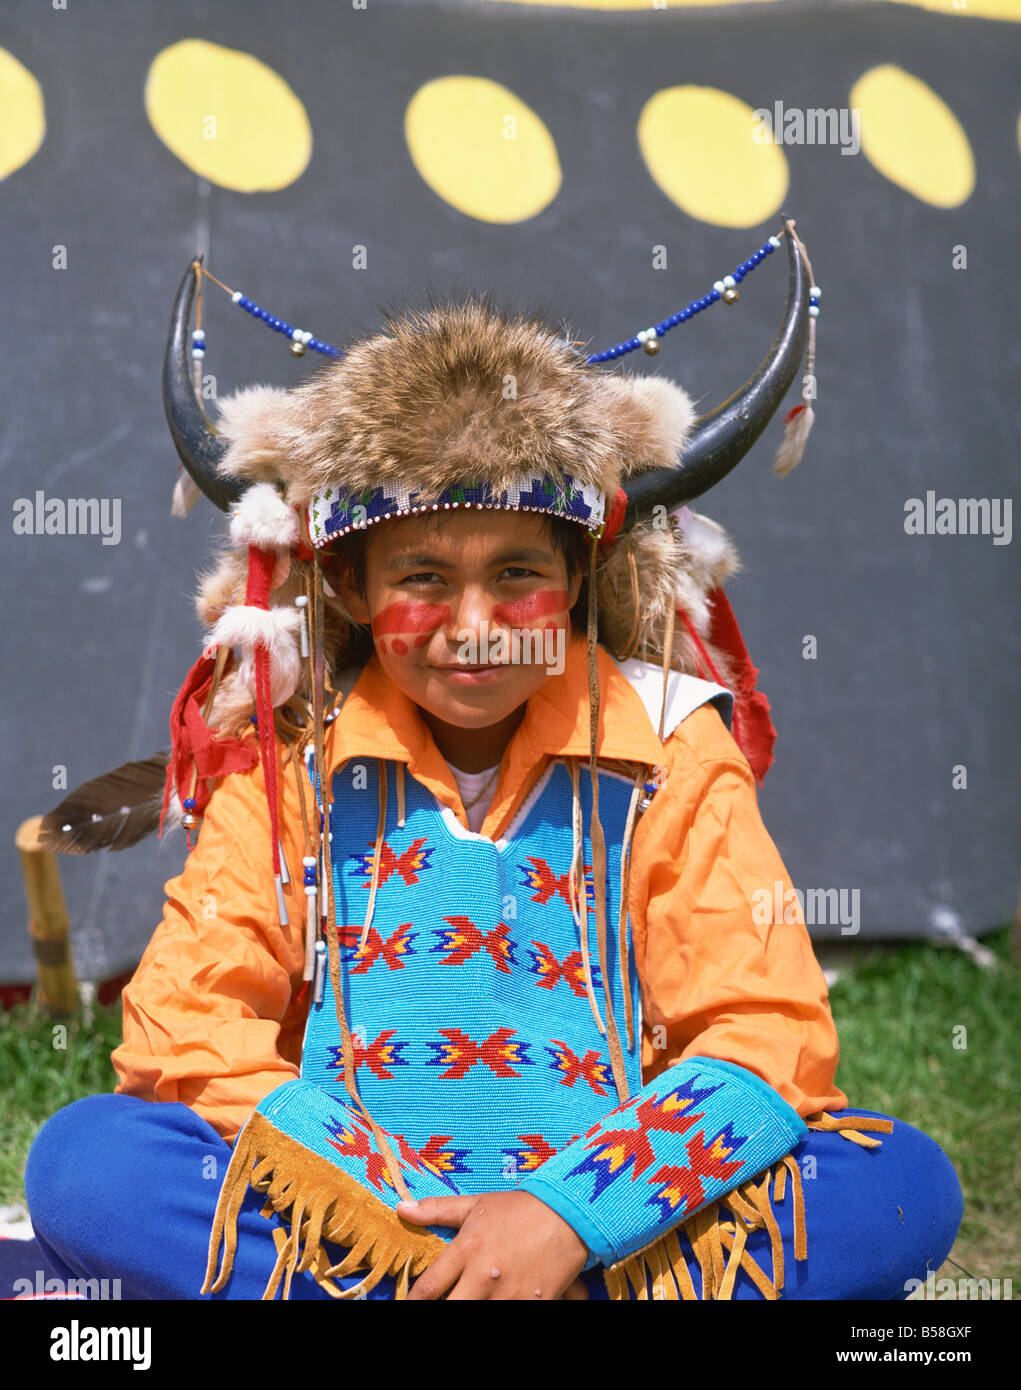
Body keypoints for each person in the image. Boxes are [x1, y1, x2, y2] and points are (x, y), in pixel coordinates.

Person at [25, 226, 963, 1300]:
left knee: (898, 1184)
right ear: (349, 591)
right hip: (366, 1208)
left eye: (516, 571)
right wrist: (405, 1206)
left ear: (577, 577)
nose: (474, 627)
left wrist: (562, 1216)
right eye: (422, 575)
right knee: (91, 1162)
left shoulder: (666, 738)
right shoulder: (289, 761)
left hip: (602, 1209)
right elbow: (187, 1024)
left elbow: (765, 1026)